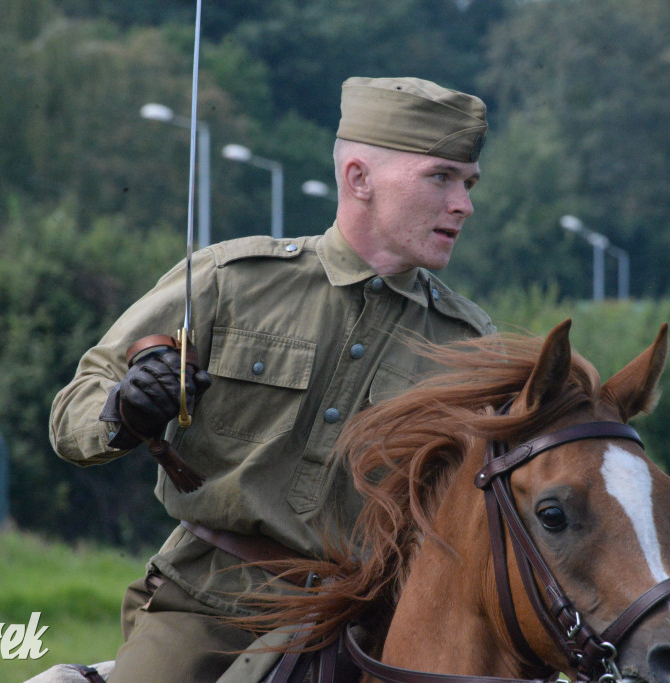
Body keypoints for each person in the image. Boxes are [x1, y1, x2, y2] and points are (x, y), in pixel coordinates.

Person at [49, 76, 495, 682]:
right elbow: (77, 402)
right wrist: (124, 411)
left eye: (467, 184)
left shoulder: (469, 347)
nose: (463, 204)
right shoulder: (230, 282)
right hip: (212, 609)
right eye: (441, 177)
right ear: (359, 178)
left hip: (382, 625)